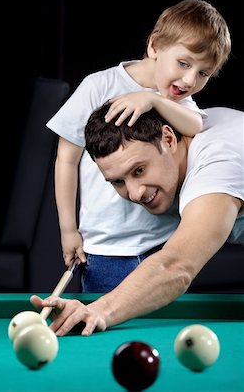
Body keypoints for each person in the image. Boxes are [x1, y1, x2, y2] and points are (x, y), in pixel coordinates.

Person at [46, 0, 231, 292]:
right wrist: (68, 229)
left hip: (165, 245)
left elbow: (197, 126)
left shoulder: (179, 102)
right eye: (183, 63)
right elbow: (66, 159)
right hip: (106, 249)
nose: (189, 79)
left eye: (203, 73)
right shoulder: (100, 86)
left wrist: (153, 99)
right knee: (102, 322)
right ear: (155, 46)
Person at [31, 104, 244, 336]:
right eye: (118, 182)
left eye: (139, 170)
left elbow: (176, 266)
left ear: (168, 139)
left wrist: (100, 310)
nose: (134, 193)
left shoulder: (217, 168)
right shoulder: (197, 127)